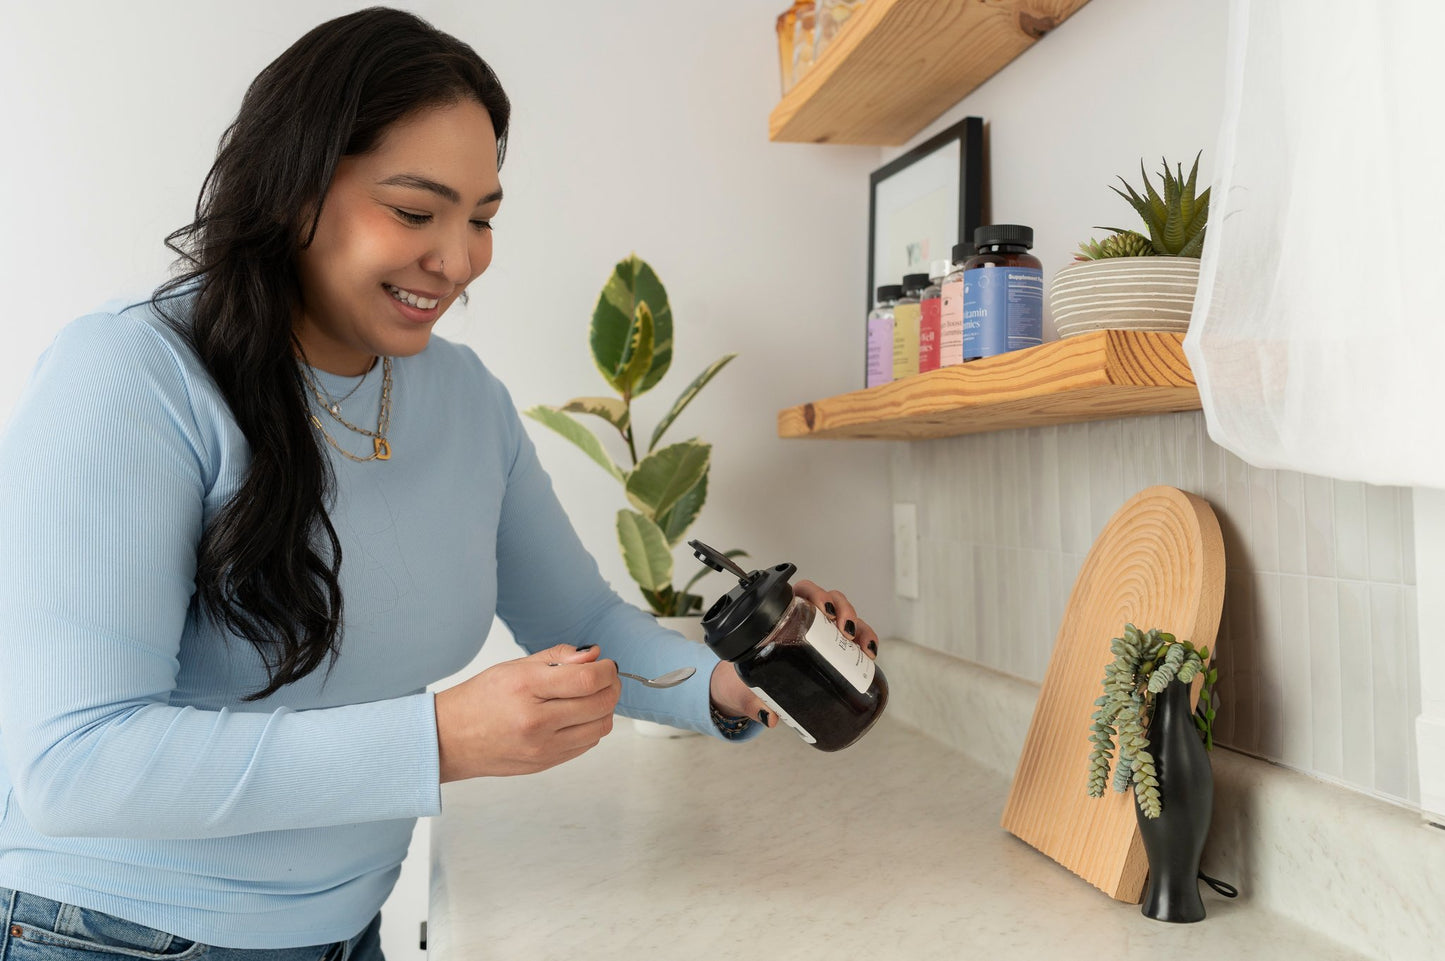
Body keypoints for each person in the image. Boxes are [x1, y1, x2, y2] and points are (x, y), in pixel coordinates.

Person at [0, 8, 880, 960]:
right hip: (106, 933)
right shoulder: (132, 375)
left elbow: (577, 616)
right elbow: (72, 762)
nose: (458, 260)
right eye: (416, 212)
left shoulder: (463, 397)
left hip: (347, 927)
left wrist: (739, 681)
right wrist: (440, 739)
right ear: (293, 185)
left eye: (483, 218)